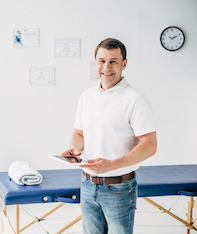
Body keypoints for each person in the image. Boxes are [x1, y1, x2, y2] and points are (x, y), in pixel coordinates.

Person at [62, 38, 157, 234]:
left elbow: (150, 145)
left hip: (119, 188)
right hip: (87, 184)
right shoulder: (86, 96)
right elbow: (79, 133)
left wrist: (111, 165)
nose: (106, 67)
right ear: (95, 62)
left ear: (124, 64)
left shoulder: (135, 99)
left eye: (113, 61)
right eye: (101, 60)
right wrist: (74, 148)